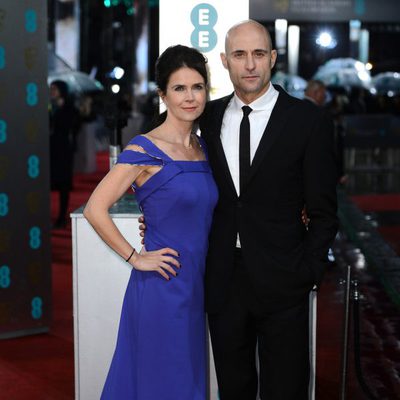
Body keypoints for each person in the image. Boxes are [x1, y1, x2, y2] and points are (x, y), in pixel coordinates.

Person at [198, 20, 338, 399]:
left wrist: (309, 271)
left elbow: (325, 210)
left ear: (273, 58)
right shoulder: (205, 119)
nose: (250, 65)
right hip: (224, 280)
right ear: (225, 61)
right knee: (233, 388)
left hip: (285, 278)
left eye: (259, 54)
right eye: (240, 55)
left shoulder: (308, 120)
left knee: (287, 389)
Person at [83, 45, 218, 400]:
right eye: (179, 88)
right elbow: (96, 208)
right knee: (161, 384)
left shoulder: (205, 149)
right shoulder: (145, 149)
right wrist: (135, 257)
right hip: (162, 287)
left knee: (186, 382)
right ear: (163, 94)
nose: (190, 97)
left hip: (198, 286)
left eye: (197, 87)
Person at [49, 80, 80, 228]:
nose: (52, 92)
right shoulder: (49, 106)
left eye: (55, 89)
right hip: (50, 148)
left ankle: (62, 216)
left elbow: (73, 125)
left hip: (64, 149)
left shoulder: (69, 108)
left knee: (63, 184)